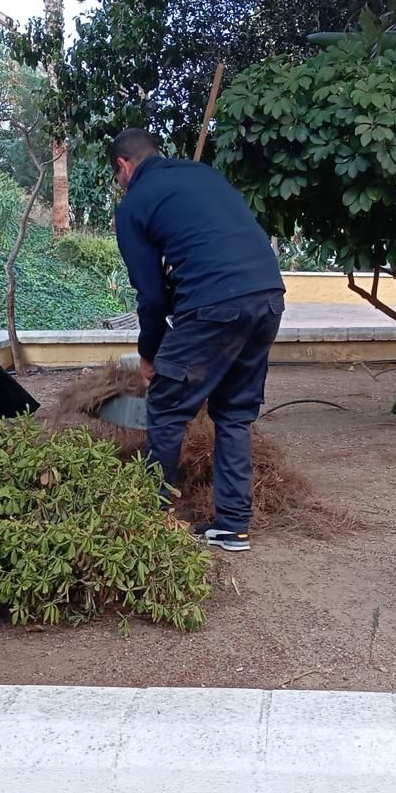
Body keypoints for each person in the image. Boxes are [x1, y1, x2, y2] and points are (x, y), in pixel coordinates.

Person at [110, 127, 285, 552]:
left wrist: (150, 354)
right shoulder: (203, 175)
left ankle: (149, 520)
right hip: (267, 298)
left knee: (166, 407)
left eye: (116, 177)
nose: (119, 184)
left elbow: (151, 295)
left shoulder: (133, 204)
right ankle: (233, 526)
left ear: (123, 166)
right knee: (234, 413)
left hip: (214, 305)